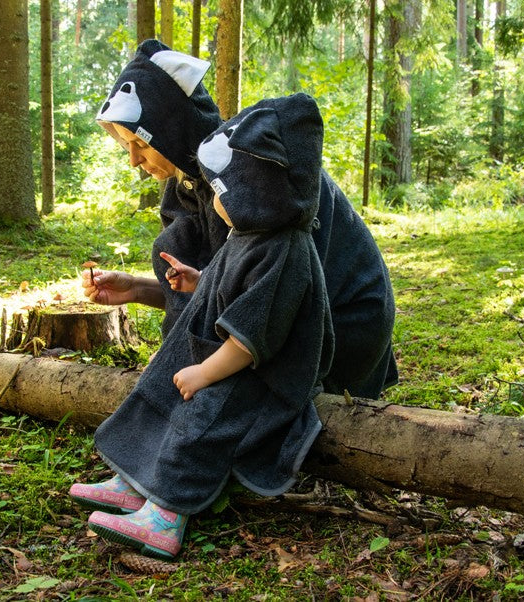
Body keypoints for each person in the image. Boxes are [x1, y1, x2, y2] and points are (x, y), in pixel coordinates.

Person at [71, 94, 334, 560]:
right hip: (226, 356)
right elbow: (228, 286)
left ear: (261, 192)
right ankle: (136, 478)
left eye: (224, 191)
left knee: (204, 411)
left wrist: (204, 373)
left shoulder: (285, 250)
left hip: (262, 374)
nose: (214, 201)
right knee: (160, 378)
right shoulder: (249, 236)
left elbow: (253, 338)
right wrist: (198, 284)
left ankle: (166, 514)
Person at [83, 39, 398, 399]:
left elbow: (266, 290)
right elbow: (215, 287)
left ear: (169, 127)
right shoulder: (186, 186)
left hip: (342, 327)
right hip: (271, 323)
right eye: (127, 146)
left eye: (139, 143)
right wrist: (137, 289)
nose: (134, 161)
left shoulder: (248, 176)